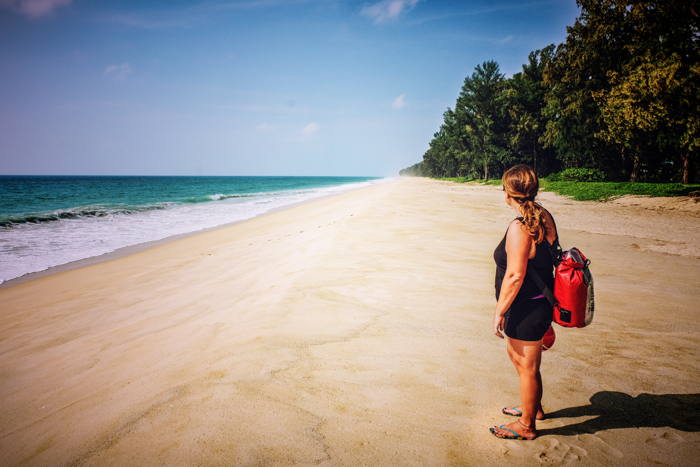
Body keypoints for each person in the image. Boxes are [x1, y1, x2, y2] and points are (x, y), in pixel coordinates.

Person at [490, 164, 559, 441]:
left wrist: (499, 311)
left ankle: (527, 425)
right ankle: (534, 408)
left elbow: (515, 275)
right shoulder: (543, 216)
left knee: (526, 367)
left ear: (508, 194)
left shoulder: (519, 227)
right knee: (524, 364)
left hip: (528, 307)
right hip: (537, 304)